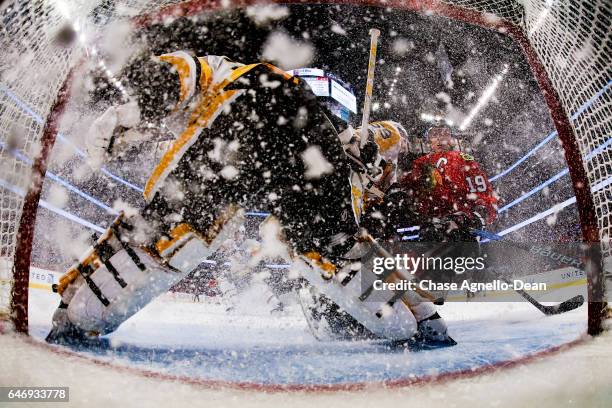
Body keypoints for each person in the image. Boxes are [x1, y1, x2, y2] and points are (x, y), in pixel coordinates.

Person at [46, 51, 451, 347]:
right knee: (196, 224)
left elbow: (190, 71)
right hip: (270, 105)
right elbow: (390, 135)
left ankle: (78, 310)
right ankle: (80, 309)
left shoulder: (347, 165)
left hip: (268, 110)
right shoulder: (349, 148)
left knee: (188, 227)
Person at [402, 125, 498, 242]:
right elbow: (407, 195)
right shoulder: (419, 164)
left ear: (451, 137)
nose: (440, 139)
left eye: (444, 134)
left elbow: (484, 197)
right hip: (430, 232)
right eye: (435, 134)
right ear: (427, 140)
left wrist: (470, 218)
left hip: (461, 233)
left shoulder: (464, 160)